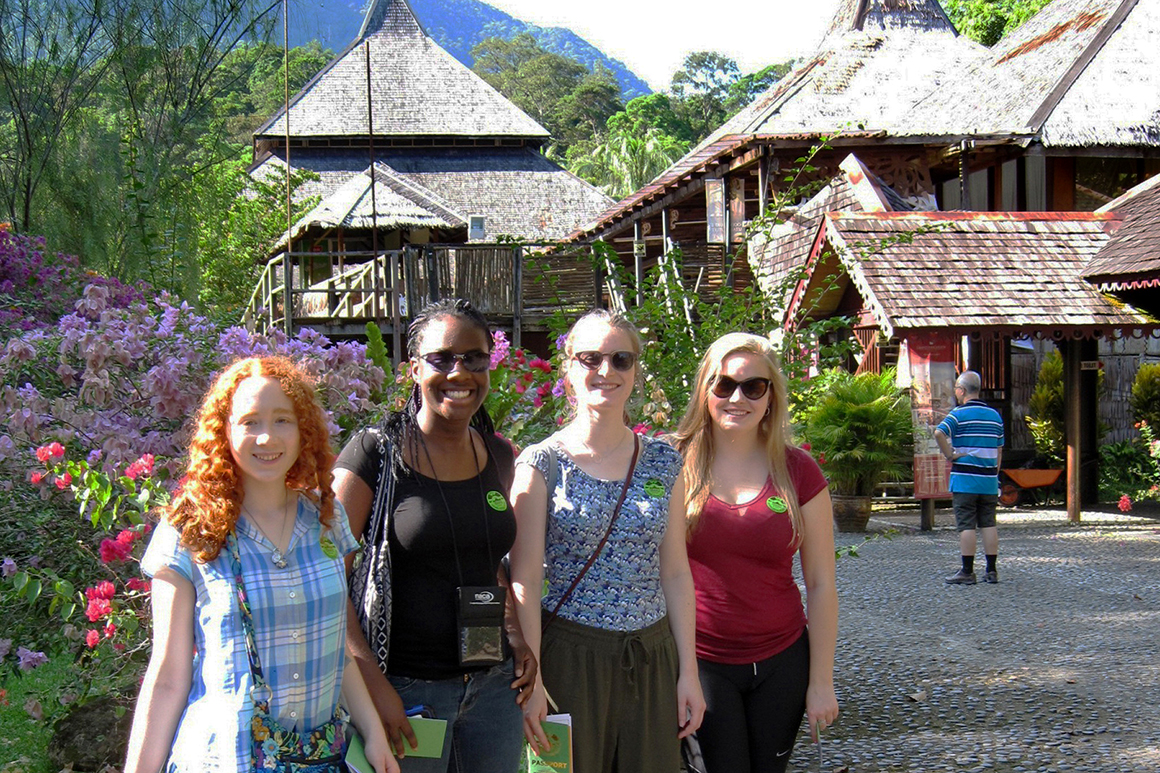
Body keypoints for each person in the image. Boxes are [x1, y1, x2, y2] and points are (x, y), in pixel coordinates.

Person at [124, 356, 396, 773]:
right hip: (221, 759)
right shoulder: (190, 529)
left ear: (302, 427)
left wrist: (373, 732)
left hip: (318, 760)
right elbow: (167, 677)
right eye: (250, 421)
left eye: (282, 420)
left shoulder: (326, 518)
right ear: (224, 431)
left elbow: (336, 649)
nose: (267, 437)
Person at [334, 298, 535, 773]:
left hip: (493, 688)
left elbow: (489, 563)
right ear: (413, 369)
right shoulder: (373, 454)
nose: (459, 372)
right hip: (406, 691)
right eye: (441, 359)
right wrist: (370, 686)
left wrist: (516, 636)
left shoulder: (499, 455)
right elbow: (325, 580)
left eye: (473, 358)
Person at [509, 309, 705, 773]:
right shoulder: (542, 464)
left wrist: (689, 673)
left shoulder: (662, 461)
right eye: (590, 358)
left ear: (635, 370)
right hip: (569, 662)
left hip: (652, 658)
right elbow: (524, 580)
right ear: (568, 369)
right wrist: (532, 681)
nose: (606, 371)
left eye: (621, 359)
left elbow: (675, 571)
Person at [670, 332, 839, 773]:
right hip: (702, 659)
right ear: (705, 390)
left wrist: (821, 682)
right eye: (724, 385)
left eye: (753, 386)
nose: (737, 398)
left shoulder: (799, 470)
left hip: (784, 659)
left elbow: (821, 584)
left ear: (770, 397)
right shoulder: (671, 463)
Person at [935, 370, 1005, 585]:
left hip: (965, 479)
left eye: (956, 388)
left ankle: (967, 571)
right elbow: (999, 449)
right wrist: (994, 473)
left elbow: (939, 432)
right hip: (988, 479)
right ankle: (991, 571)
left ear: (961, 390)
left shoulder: (958, 414)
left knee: (966, 525)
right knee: (988, 524)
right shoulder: (995, 416)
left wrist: (949, 455)